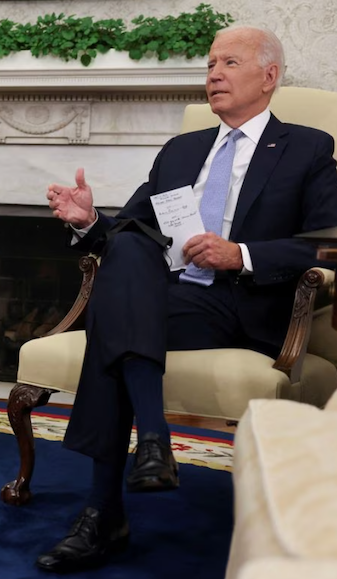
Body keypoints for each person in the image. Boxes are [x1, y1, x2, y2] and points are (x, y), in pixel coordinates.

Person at [36, 25, 337, 572]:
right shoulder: (181, 150)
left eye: (229, 63)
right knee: (127, 249)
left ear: (269, 76)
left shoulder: (308, 148)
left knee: (112, 318)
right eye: (209, 64)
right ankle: (151, 441)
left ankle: (104, 512)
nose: (214, 74)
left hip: (244, 303)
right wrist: (88, 221)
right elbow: (129, 229)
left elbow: (327, 246)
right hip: (170, 299)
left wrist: (239, 253)